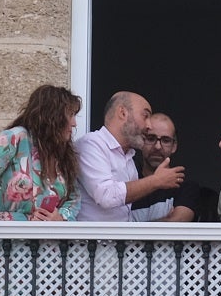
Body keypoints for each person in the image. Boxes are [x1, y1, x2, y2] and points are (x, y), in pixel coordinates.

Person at [0, 84, 83, 225]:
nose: (74, 123)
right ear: (53, 116)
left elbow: (74, 198)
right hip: (12, 237)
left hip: (50, 242)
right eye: (70, 115)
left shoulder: (64, 153)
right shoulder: (16, 138)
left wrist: (61, 217)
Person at [74, 90, 186, 222]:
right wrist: (156, 181)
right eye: (145, 116)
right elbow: (106, 195)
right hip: (92, 242)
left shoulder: (129, 159)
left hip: (117, 242)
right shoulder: (91, 144)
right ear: (123, 113)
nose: (149, 126)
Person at [130, 112, 210, 223]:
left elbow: (176, 223)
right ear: (141, 141)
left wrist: (132, 226)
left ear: (174, 146)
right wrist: (164, 221)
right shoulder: (127, 183)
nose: (157, 146)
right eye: (151, 138)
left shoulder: (186, 188)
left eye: (166, 140)